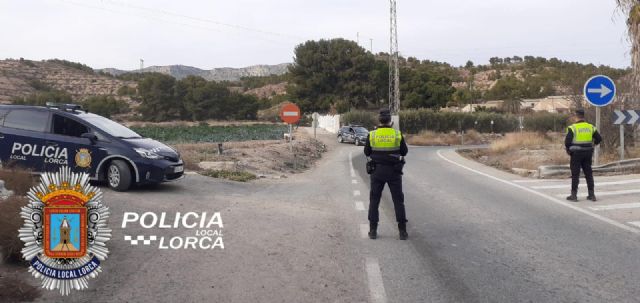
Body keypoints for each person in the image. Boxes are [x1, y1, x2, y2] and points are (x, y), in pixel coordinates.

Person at [364, 109, 409, 240]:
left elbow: (367, 152)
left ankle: (373, 231)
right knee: (398, 201)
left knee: (374, 200)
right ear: (390, 121)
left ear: (379, 120)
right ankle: (402, 232)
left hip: (377, 172)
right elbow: (404, 152)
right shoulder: (397, 134)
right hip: (394, 172)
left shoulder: (372, 134)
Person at [565, 109, 602, 202]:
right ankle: (591, 195)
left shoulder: (572, 128)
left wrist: (569, 151)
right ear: (583, 116)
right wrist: (592, 145)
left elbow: (567, 142)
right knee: (588, 173)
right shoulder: (591, 127)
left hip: (576, 154)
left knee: (575, 174)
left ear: (576, 116)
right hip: (588, 153)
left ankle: (574, 195)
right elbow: (599, 139)